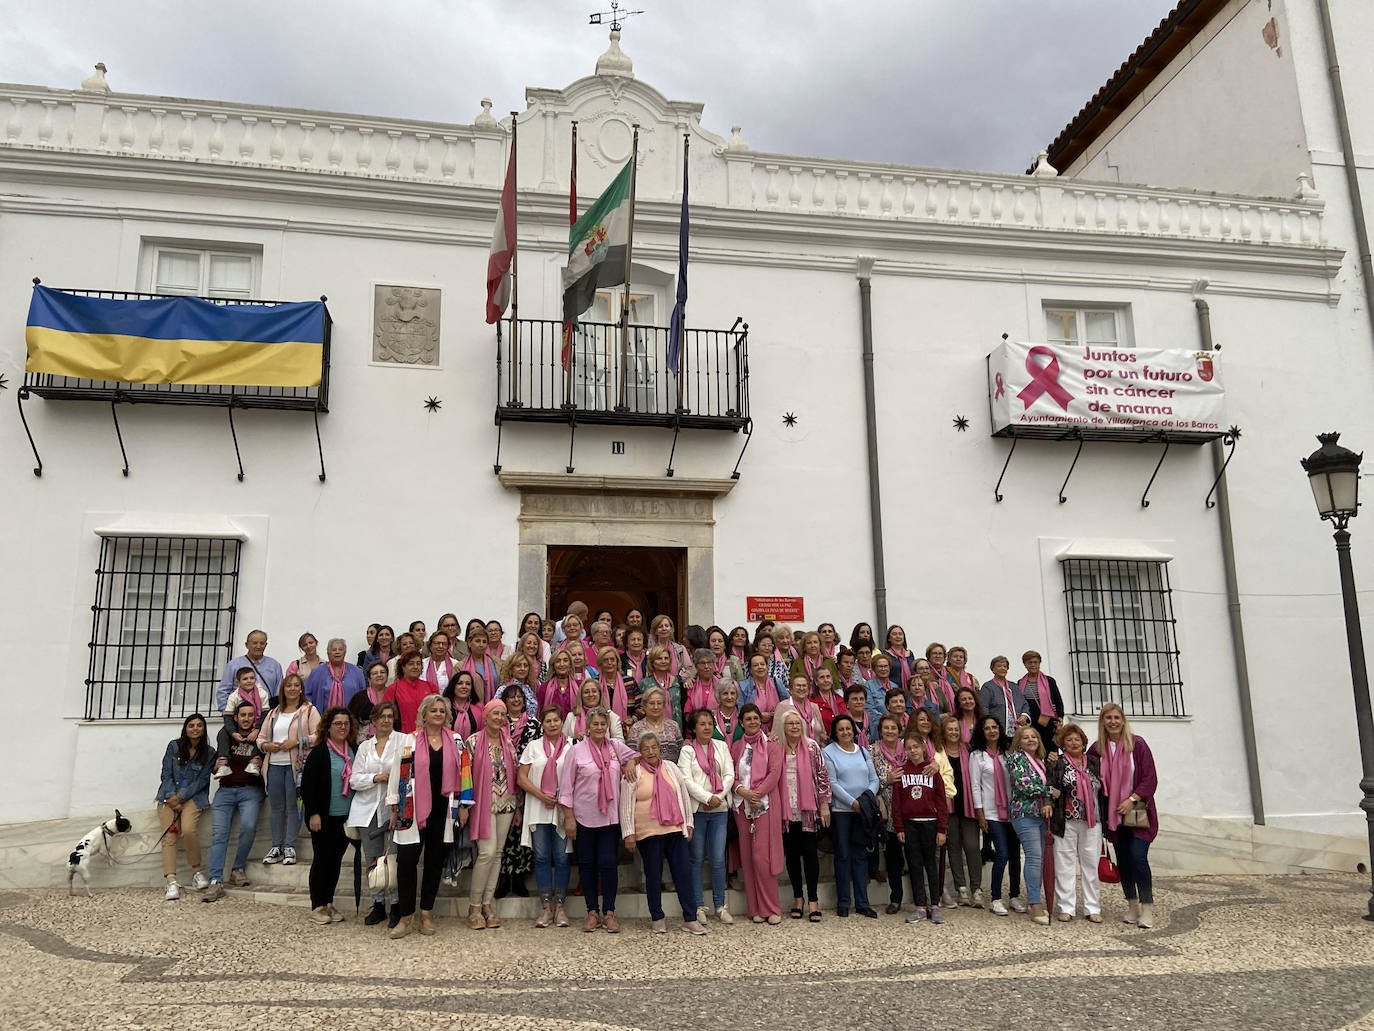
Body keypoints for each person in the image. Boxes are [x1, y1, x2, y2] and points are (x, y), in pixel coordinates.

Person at [387, 694, 473, 938]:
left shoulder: (456, 740)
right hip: (411, 810)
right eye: (433, 710)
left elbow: (465, 773)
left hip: (444, 810)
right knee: (406, 861)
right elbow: (398, 774)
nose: (438, 714)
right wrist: (394, 808)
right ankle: (405, 917)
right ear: (423, 714)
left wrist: (464, 806)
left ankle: (426, 912)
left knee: (435, 862)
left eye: (442, 711)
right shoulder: (410, 740)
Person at [560, 707, 640, 932]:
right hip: (584, 817)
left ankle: (609, 912)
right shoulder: (576, 752)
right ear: (587, 726)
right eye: (594, 724)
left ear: (607, 726)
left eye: (602, 724)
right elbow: (566, 787)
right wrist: (569, 817)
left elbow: (637, 754)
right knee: (587, 865)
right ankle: (592, 911)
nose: (598, 728)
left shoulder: (614, 747)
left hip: (609, 818)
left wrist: (631, 763)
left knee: (608, 865)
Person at [620, 732, 706, 935]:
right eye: (646, 748)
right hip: (647, 833)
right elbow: (625, 805)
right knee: (653, 875)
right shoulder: (634, 772)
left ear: (659, 749)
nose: (651, 751)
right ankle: (657, 917)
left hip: (675, 829)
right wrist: (628, 833)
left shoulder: (671, 767)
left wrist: (689, 823)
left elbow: (683, 795)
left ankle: (690, 918)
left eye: (654, 747)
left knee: (683, 874)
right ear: (639, 752)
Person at [1088, 703, 1159, 929]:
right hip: (1112, 812)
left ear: (1123, 719)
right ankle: (1132, 905)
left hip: (1137, 808)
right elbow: (1086, 774)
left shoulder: (1137, 744)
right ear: (1102, 721)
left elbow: (1150, 778)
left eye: (1117, 717)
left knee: (1138, 857)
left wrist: (1132, 800)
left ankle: (1147, 908)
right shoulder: (1097, 749)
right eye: (1108, 717)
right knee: (1124, 861)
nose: (1113, 721)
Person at [203, 700, 266, 901]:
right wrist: (216, 766)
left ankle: (238, 868)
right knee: (219, 835)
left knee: (248, 827)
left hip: (251, 789)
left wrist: (260, 761)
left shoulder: (260, 737)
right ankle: (215, 880)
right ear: (236, 718)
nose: (246, 719)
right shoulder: (226, 736)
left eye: (250, 715)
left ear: (254, 717)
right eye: (242, 715)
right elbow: (214, 766)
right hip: (226, 790)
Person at [465, 699, 520, 930]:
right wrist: (464, 805)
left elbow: (515, 773)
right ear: (485, 716)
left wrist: (517, 806)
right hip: (483, 803)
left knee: (498, 853)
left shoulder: (508, 741)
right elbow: (465, 775)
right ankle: (474, 906)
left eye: (502, 714)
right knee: (486, 853)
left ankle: (487, 904)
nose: (499, 718)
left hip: (506, 803)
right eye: (495, 713)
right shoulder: (473, 741)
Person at [678, 709, 735, 925]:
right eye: (702, 724)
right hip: (698, 810)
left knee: (718, 859)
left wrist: (718, 797)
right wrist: (706, 797)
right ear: (694, 728)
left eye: (710, 723)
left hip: (719, 810)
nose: (707, 727)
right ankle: (698, 905)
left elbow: (729, 774)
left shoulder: (721, 746)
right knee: (696, 858)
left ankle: (720, 905)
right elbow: (686, 779)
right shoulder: (687, 751)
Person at [518, 706, 574, 928]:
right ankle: (545, 907)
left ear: (562, 722)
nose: (552, 724)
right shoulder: (533, 747)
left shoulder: (571, 746)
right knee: (541, 857)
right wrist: (541, 795)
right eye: (548, 720)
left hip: (562, 808)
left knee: (561, 857)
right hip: (538, 806)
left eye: (556, 720)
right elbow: (521, 778)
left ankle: (560, 907)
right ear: (542, 724)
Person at [300, 706, 356, 925]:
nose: (342, 727)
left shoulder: (352, 749)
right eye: (338, 724)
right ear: (328, 727)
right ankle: (317, 905)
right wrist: (313, 813)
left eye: (346, 723)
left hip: (345, 817)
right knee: (321, 860)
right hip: (323, 816)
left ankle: (329, 901)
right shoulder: (320, 752)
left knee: (335, 860)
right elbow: (308, 786)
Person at [348, 699, 402, 925]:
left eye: (390, 717)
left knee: (393, 857)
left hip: (394, 809)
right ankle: (378, 904)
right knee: (372, 858)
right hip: (367, 808)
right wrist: (376, 777)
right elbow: (354, 780)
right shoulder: (364, 747)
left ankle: (397, 904)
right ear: (374, 720)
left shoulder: (403, 741)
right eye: (382, 717)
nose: (386, 721)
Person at [258, 672, 319, 867]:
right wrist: (266, 746)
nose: (292, 689)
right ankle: (276, 846)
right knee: (276, 807)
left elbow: (318, 735)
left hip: (297, 766)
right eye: (288, 685)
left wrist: (298, 742)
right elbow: (261, 737)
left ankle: (289, 846)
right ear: (283, 689)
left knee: (294, 806)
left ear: (301, 688)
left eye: (296, 685)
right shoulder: (274, 712)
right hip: (274, 764)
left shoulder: (308, 710)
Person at [730, 704, 784, 924]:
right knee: (747, 857)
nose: (752, 722)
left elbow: (774, 773)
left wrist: (756, 795)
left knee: (762, 858)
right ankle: (755, 909)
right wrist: (743, 792)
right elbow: (730, 775)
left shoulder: (771, 745)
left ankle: (771, 907)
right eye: (748, 719)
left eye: (756, 718)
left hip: (766, 805)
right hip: (742, 806)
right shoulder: (734, 747)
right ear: (741, 723)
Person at [822, 714, 879, 918]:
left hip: (862, 812)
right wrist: (852, 803)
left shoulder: (863, 751)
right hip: (842, 812)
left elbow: (874, 779)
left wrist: (865, 800)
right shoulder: (828, 752)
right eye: (841, 729)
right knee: (843, 856)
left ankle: (863, 902)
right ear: (835, 733)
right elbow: (833, 783)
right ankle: (844, 902)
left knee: (861, 856)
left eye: (849, 728)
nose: (846, 732)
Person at [776, 709, 831, 922]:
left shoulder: (812, 747)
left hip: (808, 810)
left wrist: (824, 806)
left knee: (810, 856)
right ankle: (798, 898)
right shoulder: (778, 749)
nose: (794, 727)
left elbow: (823, 776)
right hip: (786, 812)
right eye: (790, 724)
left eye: (797, 723)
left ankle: (814, 900)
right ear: (783, 727)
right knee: (791, 856)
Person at [970, 714, 1025, 916]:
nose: (992, 731)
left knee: (1015, 855)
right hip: (992, 812)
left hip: (1013, 811)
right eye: (987, 728)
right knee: (1002, 853)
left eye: (995, 727)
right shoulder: (977, 756)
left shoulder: (1009, 753)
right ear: (981, 732)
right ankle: (995, 898)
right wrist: (980, 812)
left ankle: (1015, 895)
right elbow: (976, 786)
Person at [1048, 722, 1104, 922]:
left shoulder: (1094, 763)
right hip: (1066, 821)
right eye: (1069, 740)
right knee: (1064, 863)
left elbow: (1102, 789)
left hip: (1092, 821)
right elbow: (1051, 786)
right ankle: (1066, 907)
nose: (1073, 743)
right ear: (1063, 744)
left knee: (1090, 863)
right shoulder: (1058, 763)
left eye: (1077, 739)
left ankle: (1092, 907)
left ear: (1083, 742)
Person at [892, 731, 949, 924]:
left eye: (916, 747)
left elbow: (941, 801)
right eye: (908, 748)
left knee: (931, 864)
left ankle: (935, 904)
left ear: (924, 747)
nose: (913, 751)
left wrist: (942, 829)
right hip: (909, 824)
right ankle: (920, 906)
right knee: (915, 864)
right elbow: (896, 803)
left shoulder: (932, 771)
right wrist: (899, 827)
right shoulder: (901, 772)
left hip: (930, 823)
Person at [156, 714, 215, 900]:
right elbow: (166, 773)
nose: (195, 728)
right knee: (169, 836)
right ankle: (171, 882)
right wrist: (172, 797)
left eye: (199, 725)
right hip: (168, 795)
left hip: (194, 797)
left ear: (204, 729)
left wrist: (181, 797)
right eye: (191, 725)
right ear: (185, 728)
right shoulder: (173, 746)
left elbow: (202, 780)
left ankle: (197, 872)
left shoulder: (210, 752)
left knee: (188, 830)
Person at [1004, 725, 1053, 925]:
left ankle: (1037, 899)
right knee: (1033, 858)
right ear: (1019, 742)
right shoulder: (1016, 758)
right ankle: (1034, 904)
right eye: (1025, 737)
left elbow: (1043, 789)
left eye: (1034, 736)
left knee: (1039, 859)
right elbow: (1024, 785)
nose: (1031, 739)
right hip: (1024, 814)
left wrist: (1048, 799)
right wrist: (1050, 790)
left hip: (1041, 815)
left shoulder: (1040, 761)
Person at [498, 682, 540, 899]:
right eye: (511, 697)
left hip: (526, 783)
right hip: (501, 784)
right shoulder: (497, 723)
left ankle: (520, 878)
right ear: (504, 701)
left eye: (519, 698)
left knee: (522, 831)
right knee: (504, 832)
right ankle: (503, 878)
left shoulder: (534, 724)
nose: (515, 701)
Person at [940, 713, 983, 909]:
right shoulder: (939, 753)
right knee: (954, 847)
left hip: (968, 805)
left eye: (956, 729)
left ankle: (977, 888)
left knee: (972, 847)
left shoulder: (969, 751)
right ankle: (962, 888)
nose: (953, 732)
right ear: (943, 732)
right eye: (950, 729)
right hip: (948, 807)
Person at [869, 714, 906, 914]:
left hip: (909, 809)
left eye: (893, 727)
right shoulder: (872, 751)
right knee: (892, 858)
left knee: (914, 856)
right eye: (886, 728)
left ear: (899, 730)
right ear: (880, 730)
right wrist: (887, 780)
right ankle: (896, 898)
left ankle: (922, 899)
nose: (890, 731)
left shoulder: (909, 748)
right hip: (887, 810)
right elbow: (869, 777)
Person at [216, 629, 283, 711]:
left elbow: (279, 691)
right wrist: (228, 713)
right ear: (246, 645)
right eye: (255, 643)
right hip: (241, 715)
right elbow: (223, 691)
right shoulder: (233, 665)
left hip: (266, 712)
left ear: (266, 645)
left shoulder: (274, 665)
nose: (258, 646)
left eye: (262, 643)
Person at [1020, 651, 1066, 756]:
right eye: (1029, 662)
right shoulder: (1020, 683)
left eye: (1035, 662)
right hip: (1031, 724)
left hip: (1048, 723)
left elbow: (1058, 701)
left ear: (1039, 663)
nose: (1033, 665)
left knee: (1050, 753)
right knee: (1033, 753)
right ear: (1025, 664)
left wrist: (1060, 719)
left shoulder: (1049, 681)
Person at [304, 639, 366, 713]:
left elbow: (363, 695)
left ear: (345, 652)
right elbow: (307, 694)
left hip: (351, 719)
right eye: (334, 650)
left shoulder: (356, 671)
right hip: (322, 719)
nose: (337, 652)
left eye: (340, 649)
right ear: (328, 653)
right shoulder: (317, 672)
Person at [626, 685, 682, 762]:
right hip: (646, 771)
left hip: (672, 771)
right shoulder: (637, 728)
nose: (656, 707)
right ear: (645, 705)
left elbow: (681, 752)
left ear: (663, 705)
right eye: (652, 703)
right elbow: (631, 756)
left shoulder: (673, 725)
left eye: (659, 703)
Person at [980, 655, 1031, 736]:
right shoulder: (988, 687)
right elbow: (984, 707)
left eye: (1005, 666)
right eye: (999, 666)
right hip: (998, 731)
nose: (1002, 668)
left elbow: (1024, 704)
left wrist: (1024, 716)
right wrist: (989, 724)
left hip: (1018, 731)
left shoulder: (1014, 686)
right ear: (993, 669)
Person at [565, 678, 626, 743]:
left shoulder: (611, 716)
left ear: (600, 694)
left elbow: (620, 742)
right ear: (581, 696)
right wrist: (574, 738)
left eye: (594, 691)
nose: (591, 694)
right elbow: (561, 740)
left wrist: (600, 740)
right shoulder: (571, 716)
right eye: (586, 692)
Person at [381, 650, 428, 733]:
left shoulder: (430, 687)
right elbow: (385, 715)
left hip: (427, 736)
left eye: (418, 663)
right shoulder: (393, 689)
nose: (415, 667)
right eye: (411, 663)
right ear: (403, 667)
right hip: (403, 737)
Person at [772, 673, 826, 743]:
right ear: (791, 689)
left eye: (804, 685)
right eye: (798, 686)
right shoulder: (783, 706)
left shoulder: (814, 707)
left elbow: (822, 733)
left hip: (815, 750)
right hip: (792, 751)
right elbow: (776, 734)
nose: (801, 688)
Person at [222, 666, 270, 737]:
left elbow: (265, 714)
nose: (249, 681)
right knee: (223, 733)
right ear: (238, 682)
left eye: (252, 678)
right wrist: (233, 733)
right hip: (238, 727)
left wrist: (257, 729)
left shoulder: (262, 694)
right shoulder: (234, 697)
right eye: (245, 679)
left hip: (259, 726)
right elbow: (228, 717)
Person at [738, 652, 781, 731]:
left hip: (776, 730)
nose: (760, 667)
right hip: (753, 729)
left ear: (767, 666)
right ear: (750, 670)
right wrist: (759, 716)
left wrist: (777, 713)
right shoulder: (743, 686)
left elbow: (787, 705)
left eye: (762, 664)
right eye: (755, 665)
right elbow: (740, 712)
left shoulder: (776, 682)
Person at [595, 644, 632, 725]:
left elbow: (641, 706)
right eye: (605, 660)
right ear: (600, 663)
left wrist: (634, 718)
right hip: (600, 727)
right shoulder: (595, 683)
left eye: (612, 659)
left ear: (617, 661)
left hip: (627, 727)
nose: (609, 663)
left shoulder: (629, 681)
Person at [461, 626, 499, 703]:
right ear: (469, 643)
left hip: (495, 708)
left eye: (484, 642)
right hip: (470, 708)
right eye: (477, 641)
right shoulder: (460, 666)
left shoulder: (498, 663)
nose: (481, 645)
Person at [539, 646, 580, 717]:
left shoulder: (580, 685)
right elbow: (540, 713)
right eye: (558, 661)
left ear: (570, 664)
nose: (562, 664)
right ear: (553, 665)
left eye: (565, 660)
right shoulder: (544, 688)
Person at [446, 669, 484, 740]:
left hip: (472, 749)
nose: (464, 686)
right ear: (453, 686)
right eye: (460, 683)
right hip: (448, 748)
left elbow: (482, 733)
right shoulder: (445, 707)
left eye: (468, 684)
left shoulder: (479, 708)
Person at [864, 654, 897, 729]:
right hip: (877, 727)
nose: (883, 669)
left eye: (885, 666)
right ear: (874, 669)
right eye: (880, 666)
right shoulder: (867, 686)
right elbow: (870, 710)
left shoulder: (895, 686)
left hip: (895, 727)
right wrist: (887, 721)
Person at [683, 649, 719, 716]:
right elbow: (687, 714)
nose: (706, 666)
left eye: (709, 663)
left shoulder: (722, 685)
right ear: (696, 667)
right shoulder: (691, 685)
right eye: (702, 663)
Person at [924, 642, 956, 714]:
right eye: (934, 653)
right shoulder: (925, 674)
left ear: (944, 657)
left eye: (940, 654)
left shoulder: (951, 674)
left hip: (951, 715)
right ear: (929, 657)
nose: (937, 656)